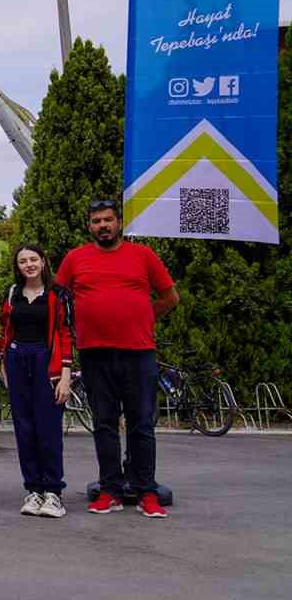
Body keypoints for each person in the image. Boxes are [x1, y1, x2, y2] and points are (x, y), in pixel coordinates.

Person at [56, 200, 179, 519]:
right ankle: (109, 489)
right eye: (96, 221)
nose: (103, 226)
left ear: (119, 222)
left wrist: (144, 319)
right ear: (89, 226)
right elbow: (57, 302)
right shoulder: (74, 258)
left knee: (142, 423)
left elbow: (170, 297)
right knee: (104, 424)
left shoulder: (143, 255)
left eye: (108, 220)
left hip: (138, 353)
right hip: (95, 354)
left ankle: (146, 490)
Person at [0, 243, 76, 519]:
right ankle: (33, 490)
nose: (29, 264)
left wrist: (65, 374)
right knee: (24, 428)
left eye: (33, 259)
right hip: (17, 360)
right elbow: (5, 329)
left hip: (47, 363)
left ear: (43, 262)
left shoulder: (59, 294)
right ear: (17, 266)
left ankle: (53, 492)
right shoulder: (12, 293)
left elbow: (66, 334)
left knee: (48, 428)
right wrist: (3, 364)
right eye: (23, 261)